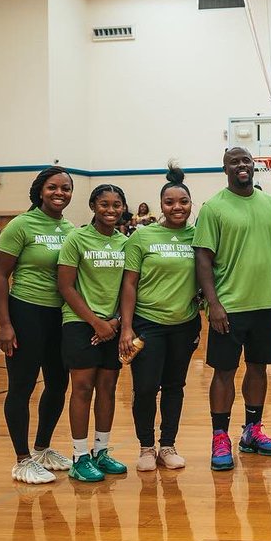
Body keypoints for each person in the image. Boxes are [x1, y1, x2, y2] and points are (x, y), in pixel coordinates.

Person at [195, 146, 271, 471]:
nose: (242, 166)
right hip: (229, 308)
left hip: (265, 303)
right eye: (234, 162)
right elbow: (203, 259)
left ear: (254, 165)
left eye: (246, 160)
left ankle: (252, 430)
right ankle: (220, 436)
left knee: (259, 368)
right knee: (224, 372)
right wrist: (213, 303)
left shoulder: (269, 204)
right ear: (225, 169)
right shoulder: (213, 208)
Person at [0, 166, 76, 484]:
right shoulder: (21, 225)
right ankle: (21, 459)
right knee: (22, 385)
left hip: (60, 315)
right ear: (40, 190)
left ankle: (42, 449)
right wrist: (5, 324)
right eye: (53, 187)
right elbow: (0, 276)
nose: (60, 193)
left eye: (66, 188)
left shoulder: (70, 228)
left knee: (58, 383)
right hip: (26, 311)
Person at [119, 164, 200, 472]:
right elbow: (129, 283)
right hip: (147, 323)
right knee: (145, 387)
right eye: (170, 202)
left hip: (185, 323)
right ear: (161, 205)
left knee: (174, 386)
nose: (177, 207)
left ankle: (168, 446)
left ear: (191, 204)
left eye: (183, 202)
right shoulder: (142, 237)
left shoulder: (199, 235)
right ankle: (145, 447)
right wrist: (126, 327)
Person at [57, 183, 129, 482]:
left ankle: (101, 451)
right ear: (92, 206)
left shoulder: (126, 243)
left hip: (112, 325)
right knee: (83, 388)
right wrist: (95, 322)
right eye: (104, 204)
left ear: (123, 207)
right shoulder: (77, 238)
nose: (110, 210)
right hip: (79, 322)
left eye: (116, 205)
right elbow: (66, 286)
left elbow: (128, 287)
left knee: (108, 389)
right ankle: (79, 455)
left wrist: (113, 322)